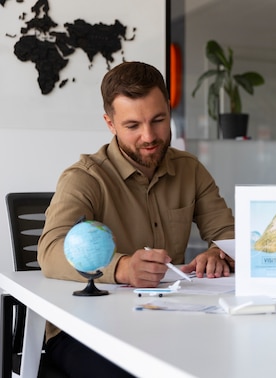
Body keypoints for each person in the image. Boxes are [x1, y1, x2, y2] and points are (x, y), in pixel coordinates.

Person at [38, 61, 235, 376]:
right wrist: (122, 267)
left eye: (159, 120)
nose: (149, 136)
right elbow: (49, 251)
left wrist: (217, 252)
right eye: (133, 126)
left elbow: (227, 232)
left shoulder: (190, 169)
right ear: (110, 123)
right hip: (86, 329)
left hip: (169, 317)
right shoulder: (84, 178)